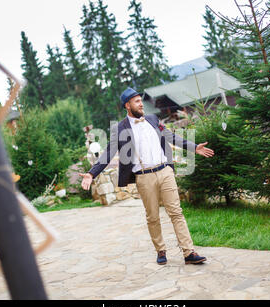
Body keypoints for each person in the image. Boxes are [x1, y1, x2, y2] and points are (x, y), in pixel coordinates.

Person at [80, 87, 215, 265]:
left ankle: (189, 252)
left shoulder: (152, 119)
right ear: (127, 105)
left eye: (140, 100)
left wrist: (193, 147)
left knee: (176, 212)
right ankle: (161, 250)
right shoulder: (119, 128)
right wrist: (91, 173)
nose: (141, 103)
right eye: (136, 101)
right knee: (152, 216)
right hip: (144, 177)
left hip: (164, 171)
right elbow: (108, 153)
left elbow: (171, 136)